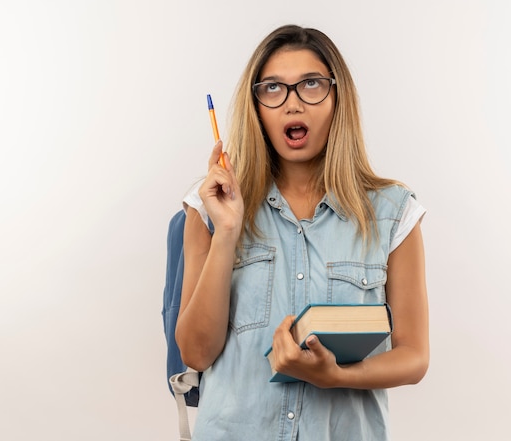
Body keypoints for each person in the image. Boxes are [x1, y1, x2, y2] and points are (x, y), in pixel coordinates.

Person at [175, 24, 429, 440]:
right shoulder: (210, 207)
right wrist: (226, 232)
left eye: (311, 84)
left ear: (336, 97)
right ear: (256, 106)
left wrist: (336, 376)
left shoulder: (393, 213)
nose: (293, 104)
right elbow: (196, 352)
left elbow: (414, 357)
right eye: (273, 88)